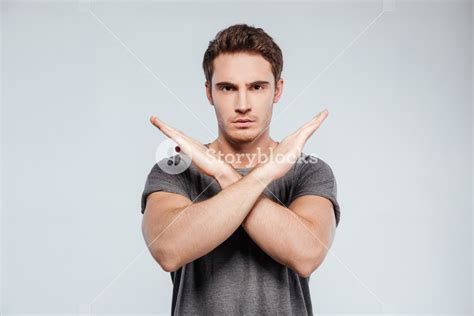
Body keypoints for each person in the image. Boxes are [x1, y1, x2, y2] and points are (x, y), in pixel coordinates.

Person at [140, 23, 340, 315]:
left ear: (277, 90)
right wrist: (265, 173)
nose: (243, 104)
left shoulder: (309, 171)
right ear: (209, 93)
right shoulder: (175, 169)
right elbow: (168, 250)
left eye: (257, 87)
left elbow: (306, 254)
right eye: (227, 88)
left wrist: (223, 174)